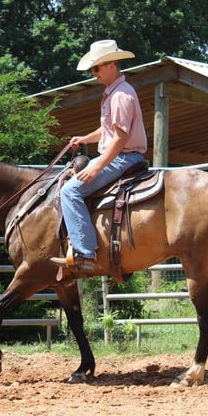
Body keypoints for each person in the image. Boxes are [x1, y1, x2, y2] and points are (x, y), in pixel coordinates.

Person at [51, 40, 148, 272]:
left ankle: (85, 253)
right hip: (120, 155)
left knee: (70, 191)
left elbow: (120, 138)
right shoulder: (114, 93)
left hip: (124, 157)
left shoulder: (120, 95)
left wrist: (96, 167)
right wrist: (85, 138)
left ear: (112, 65)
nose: (94, 74)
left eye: (96, 68)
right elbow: (108, 131)